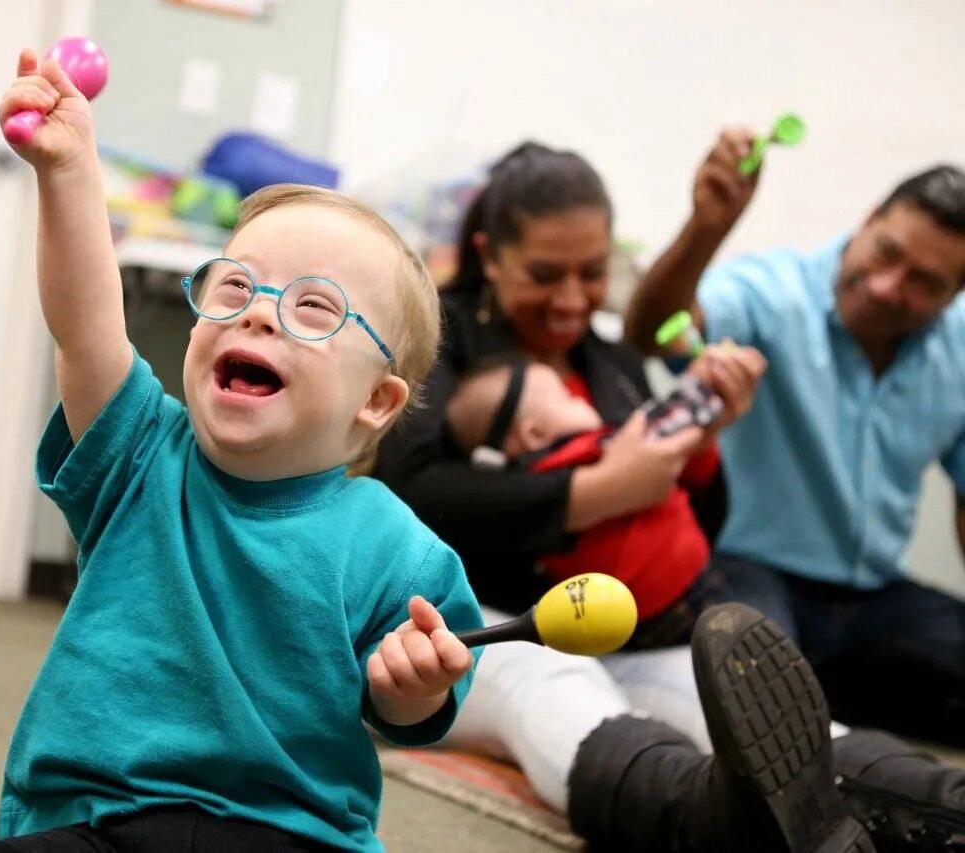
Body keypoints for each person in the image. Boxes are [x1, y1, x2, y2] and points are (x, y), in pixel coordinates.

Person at [0, 49, 483, 853]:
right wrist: (67, 167)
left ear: (375, 401)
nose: (258, 315)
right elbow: (86, 321)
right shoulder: (137, 455)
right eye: (236, 286)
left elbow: (411, 712)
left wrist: (411, 688)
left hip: (286, 831)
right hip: (101, 817)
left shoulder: (401, 553)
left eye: (313, 307)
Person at [376, 140, 965, 851]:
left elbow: (701, 517)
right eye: (543, 274)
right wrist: (592, 491)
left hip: (628, 630)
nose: (571, 300)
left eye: (592, 274)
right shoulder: (438, 338)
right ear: (490, 255)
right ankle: (709, 822)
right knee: (555, 680)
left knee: (758, 699)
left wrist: (704, 445)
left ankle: (935, 806)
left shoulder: (608, 361)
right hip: (476, 627)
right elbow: (411, 488)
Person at [624, 133, 965, 748]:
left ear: (955, 295)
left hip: (877, 600)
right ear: (867, 221)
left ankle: (832, 701)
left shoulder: (958, 349)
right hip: (749, 571)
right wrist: (706, 229)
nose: (889, 286)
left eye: (925, 283)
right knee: (748, 672)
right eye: (886, 252)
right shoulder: (771, 292)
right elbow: (652, 333)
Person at [444, 357, 730, 648]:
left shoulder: (530, 503)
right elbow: (664, 422)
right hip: (682, 597)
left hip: (634, 620)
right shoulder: (586, 453)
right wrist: (697, 388)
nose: (581, 399)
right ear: (534, 434)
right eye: (567, 396)